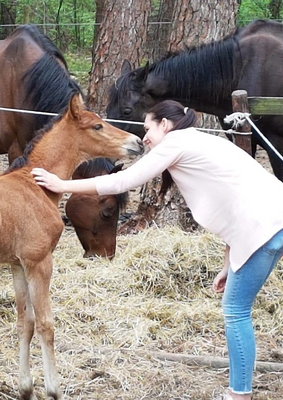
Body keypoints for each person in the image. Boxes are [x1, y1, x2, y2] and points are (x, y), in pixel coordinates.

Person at [31, 99, 283, 400]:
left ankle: (239, 394)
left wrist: (63, 184)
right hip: (271, 220)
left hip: (264, 227)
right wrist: (229, 264)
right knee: (237, 308)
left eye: (148, 127)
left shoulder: (175, 142)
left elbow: (125, 179)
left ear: (165, 124)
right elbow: (234, 199)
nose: (145, 137)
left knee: (236, 311)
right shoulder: (199, 142)